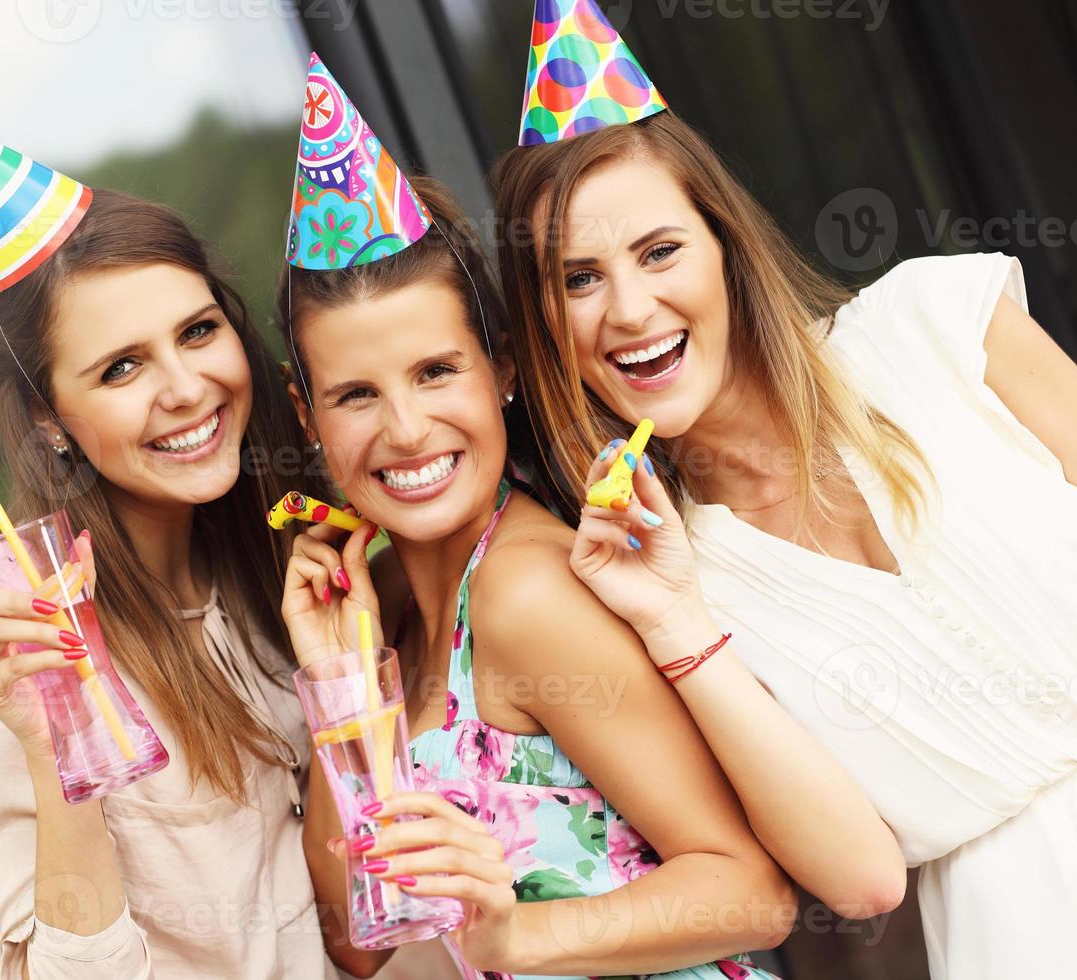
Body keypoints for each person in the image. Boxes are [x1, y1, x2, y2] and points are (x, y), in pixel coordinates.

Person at [491, 3, 1077, 977]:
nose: (629, 309)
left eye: (659, 251)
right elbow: (861, 878)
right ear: (549, 331)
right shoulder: (679, 585)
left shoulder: (941, 325)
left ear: (724, 243)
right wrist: (673, 622)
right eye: (578, 279)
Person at [275, 55, 794, 980]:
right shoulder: (375, 605)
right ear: (306, 416)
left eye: (438, 372)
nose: (406, 429)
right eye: (356, 394)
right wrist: (340, 680)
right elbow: (359, 945)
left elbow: (749, 892)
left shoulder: (527, 591)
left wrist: (516, 936)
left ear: (503, 369)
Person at [0, 101, 338, 979]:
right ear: (48, 418)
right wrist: (52, 740)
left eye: (197, 331)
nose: (188, 388)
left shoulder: (282, 553)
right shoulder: (8, 629)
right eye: (122, 367)